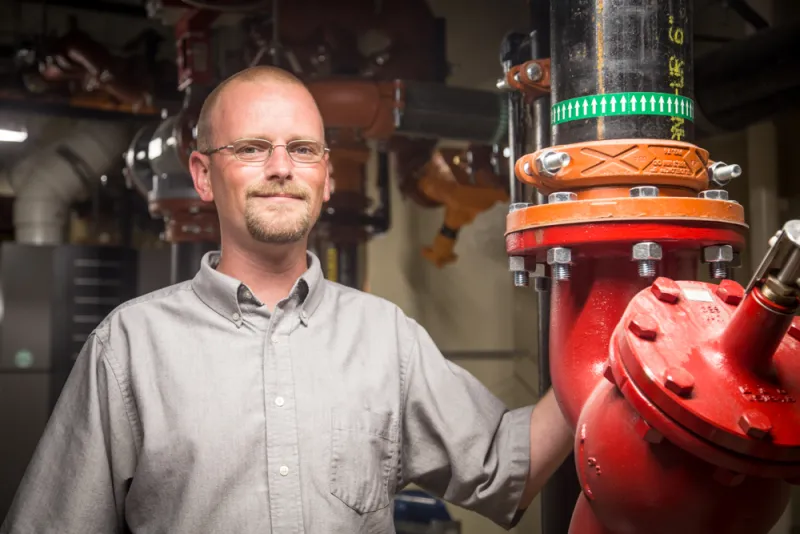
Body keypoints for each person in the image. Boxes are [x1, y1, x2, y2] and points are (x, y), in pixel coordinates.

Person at [1, 66, 572, 534]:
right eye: (252, 148)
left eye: (302, 150)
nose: (280, 168)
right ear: (202, 175)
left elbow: (503, 467)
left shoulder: (386, 336)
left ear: (326, 176)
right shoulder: (128, 347)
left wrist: (611, 346)